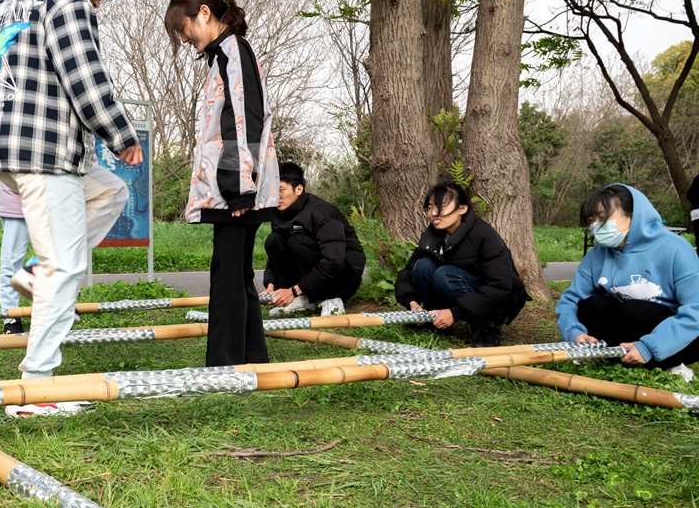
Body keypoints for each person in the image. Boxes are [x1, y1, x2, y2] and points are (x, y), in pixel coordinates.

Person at [0, 0, 142, 387]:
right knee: (66, 267)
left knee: (111, 191)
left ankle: (34, 276)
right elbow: (84, 72)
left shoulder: (1, 5)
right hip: (45, 149)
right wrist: (121, 134)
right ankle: (37, 382)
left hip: (8, 149)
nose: (99, 2)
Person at [164, 0, 279, 367]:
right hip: (237, 187)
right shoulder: (224, 55)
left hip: (237, 189)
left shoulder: (233, 52)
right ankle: (250, 360)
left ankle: (224, 369)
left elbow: (242, 122)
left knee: (227, 276)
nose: (185, 37)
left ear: (205, 14)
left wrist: (238, 189)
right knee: (234, 273)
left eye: (185, 27)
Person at [556, 183, 699, 381]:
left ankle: (672, 362)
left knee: (631, 310)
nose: (597, 226)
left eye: (604, 218)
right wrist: (573, 332)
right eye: (592, 221)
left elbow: (696, 310)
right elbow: (572, 298)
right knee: (592, 305)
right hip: (629, 331)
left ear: (633, 216)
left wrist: (650, 346)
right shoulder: (599, 253)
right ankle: (611, 353)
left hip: (681, 338)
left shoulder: (676, 249)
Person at [394, 183, 527, 347]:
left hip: (498, 304)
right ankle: (434, 319)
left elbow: (500, 286)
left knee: (445, 275)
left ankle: (487, 327)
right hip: (461, 288)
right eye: (429, 208)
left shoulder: (484, 235)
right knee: (423, 266)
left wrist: (455, 312)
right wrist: (412, 302)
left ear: (462, 209)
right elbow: (408, 271)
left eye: (441, 207)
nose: (434, 214)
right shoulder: (433, 234)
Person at [263, 162, 365, 318]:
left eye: (281, 190)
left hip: (344, 277)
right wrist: (271, 284)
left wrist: (294, 290)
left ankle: (331, 299)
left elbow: (334, 261)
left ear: (299, 189)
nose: (277, 195)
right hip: (314, 276)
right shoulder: (280, 214)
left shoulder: (322, 212)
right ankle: (304, 299)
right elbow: (274, 258)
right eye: (273, 189)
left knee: (297, 241)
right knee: (273, 240)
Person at [0, 182, 29, 335]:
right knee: (11, 264)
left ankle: (54, 315)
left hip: (52, 201)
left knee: (57, 262)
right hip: (16, 203)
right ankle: (11, 320)